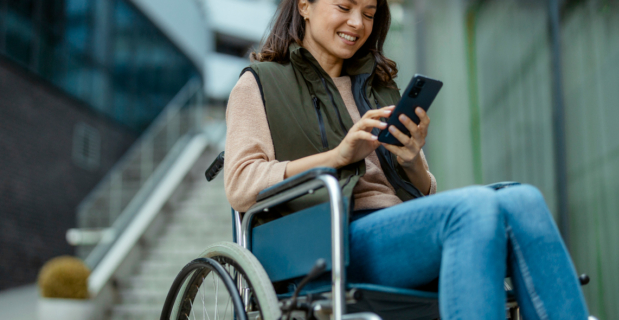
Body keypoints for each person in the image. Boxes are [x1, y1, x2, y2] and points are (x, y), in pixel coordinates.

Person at [223, 0, 589, 319]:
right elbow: (241, 184)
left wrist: (412, 158)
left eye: (369, 13)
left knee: (523, 198)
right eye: (344, 7)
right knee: (473, 208)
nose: (357, 23)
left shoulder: (376, 86)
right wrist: (337, 157)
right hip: (332, 238)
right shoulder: (260, 84)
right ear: (304, 5)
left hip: (399, 225)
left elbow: (425, 193)